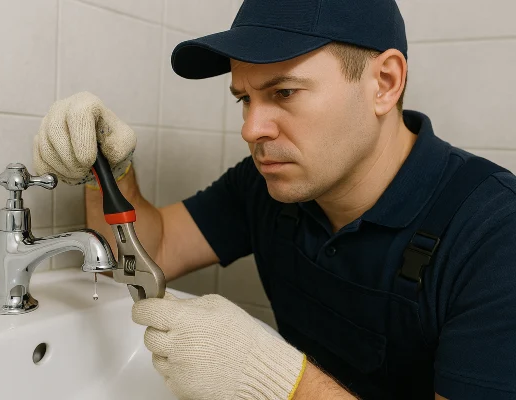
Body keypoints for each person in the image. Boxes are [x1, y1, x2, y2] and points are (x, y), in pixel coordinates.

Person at [33, 0, 516, 399]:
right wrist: (107, 173)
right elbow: (149, 254)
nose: (250, 129)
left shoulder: (495, 233)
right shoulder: (269, 185)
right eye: (244, 98)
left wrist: (284, 383)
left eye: (283, 92)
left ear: (385, 83)